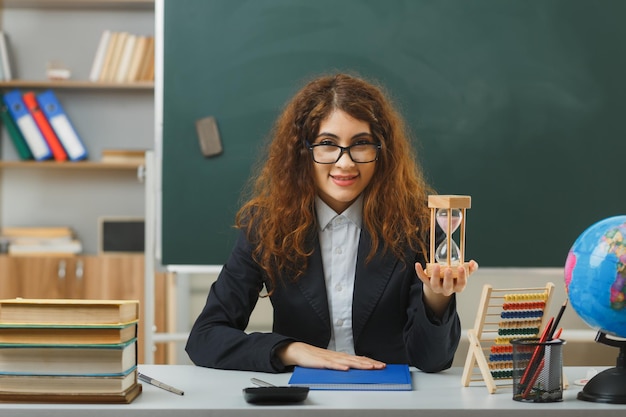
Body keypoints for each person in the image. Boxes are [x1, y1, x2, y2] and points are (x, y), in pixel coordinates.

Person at [185, 73, 478, 374]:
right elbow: (204, 337)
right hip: (302, 398)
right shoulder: (265, 225)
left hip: (391, 400)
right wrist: (291, 349)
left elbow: (432, 361)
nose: (345, 163)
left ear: (382, 152)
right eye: (327, 144)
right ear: (303, 152)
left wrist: (437, 298)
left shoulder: (416, 225)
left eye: (361, 144)